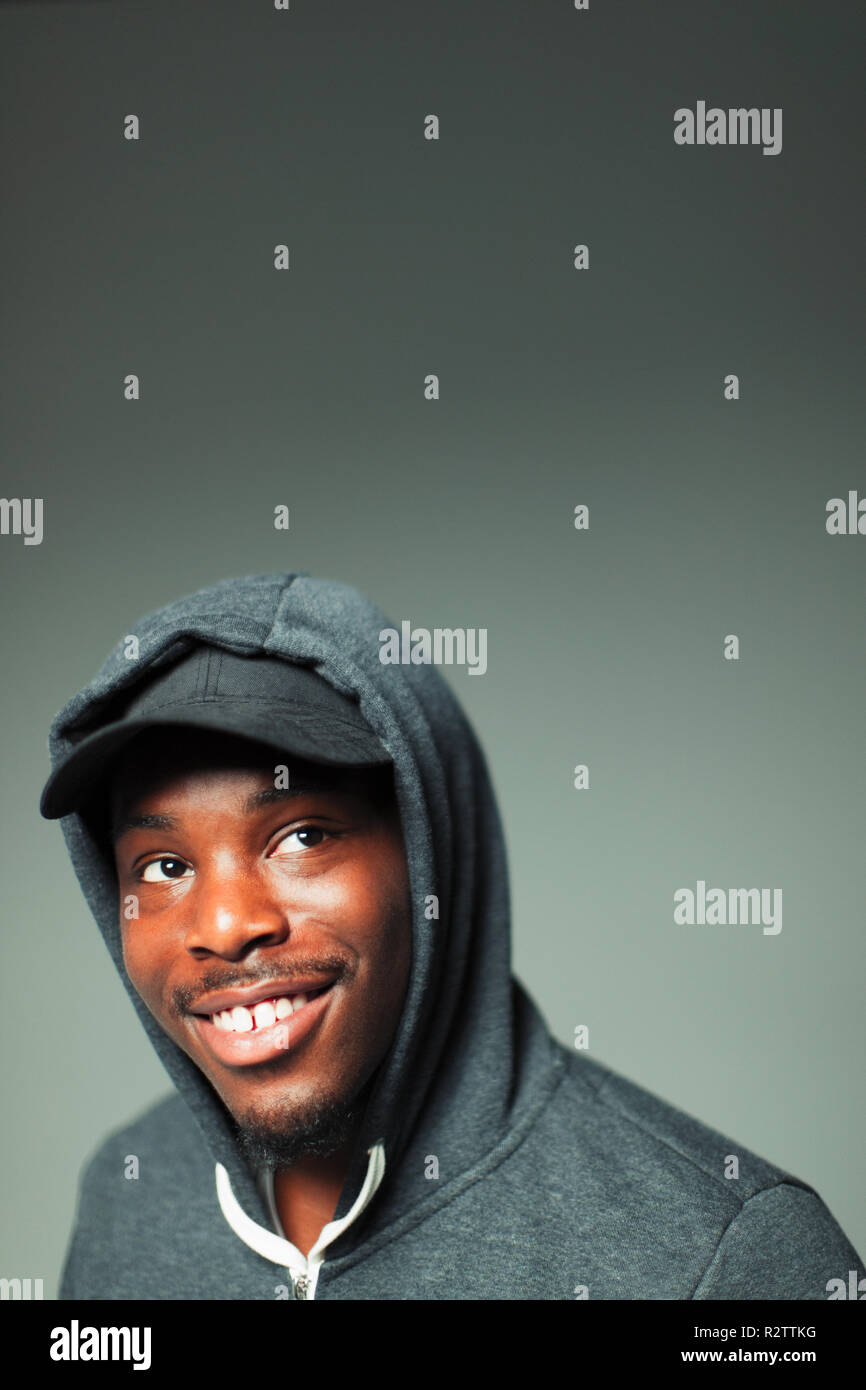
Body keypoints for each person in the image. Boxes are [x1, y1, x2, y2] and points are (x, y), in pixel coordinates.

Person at [40, 571, 862, 1299]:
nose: (225, 926)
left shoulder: (728, 1256)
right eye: (162, 866)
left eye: (303, 836)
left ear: (429, 855)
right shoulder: (128, 1193)